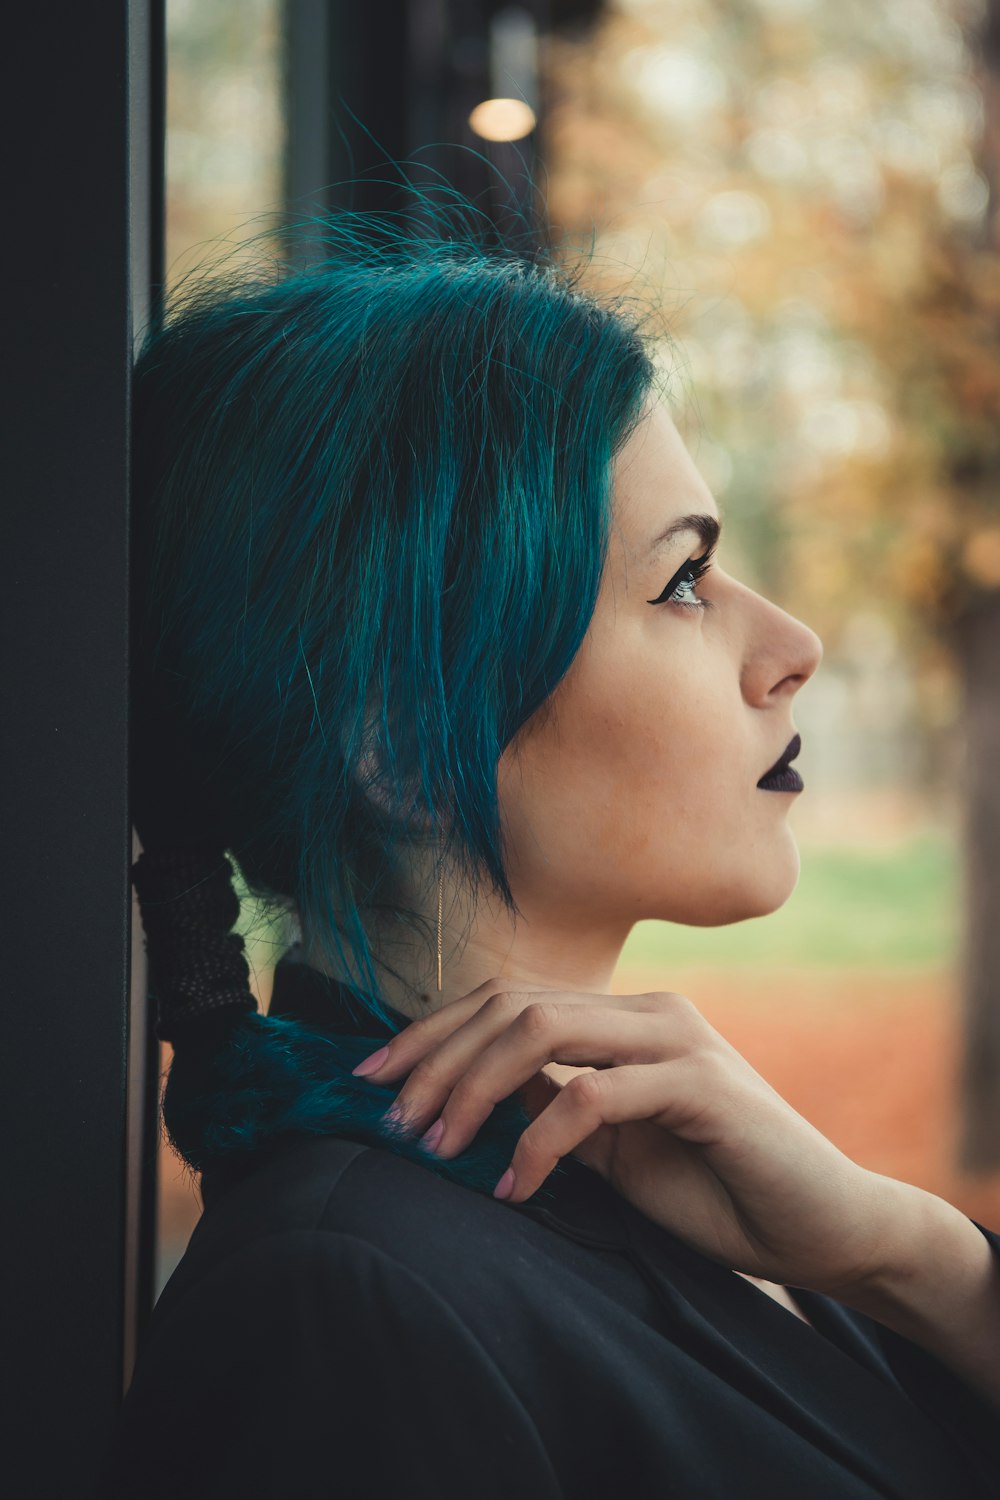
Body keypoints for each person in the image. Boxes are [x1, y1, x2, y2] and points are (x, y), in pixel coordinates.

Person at [98, 189, 1000, 1500]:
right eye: (682, 581)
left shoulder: (640, 1185)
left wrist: (907, 1254)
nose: (793, 647)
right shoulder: (345, 1310)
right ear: (404, 743)